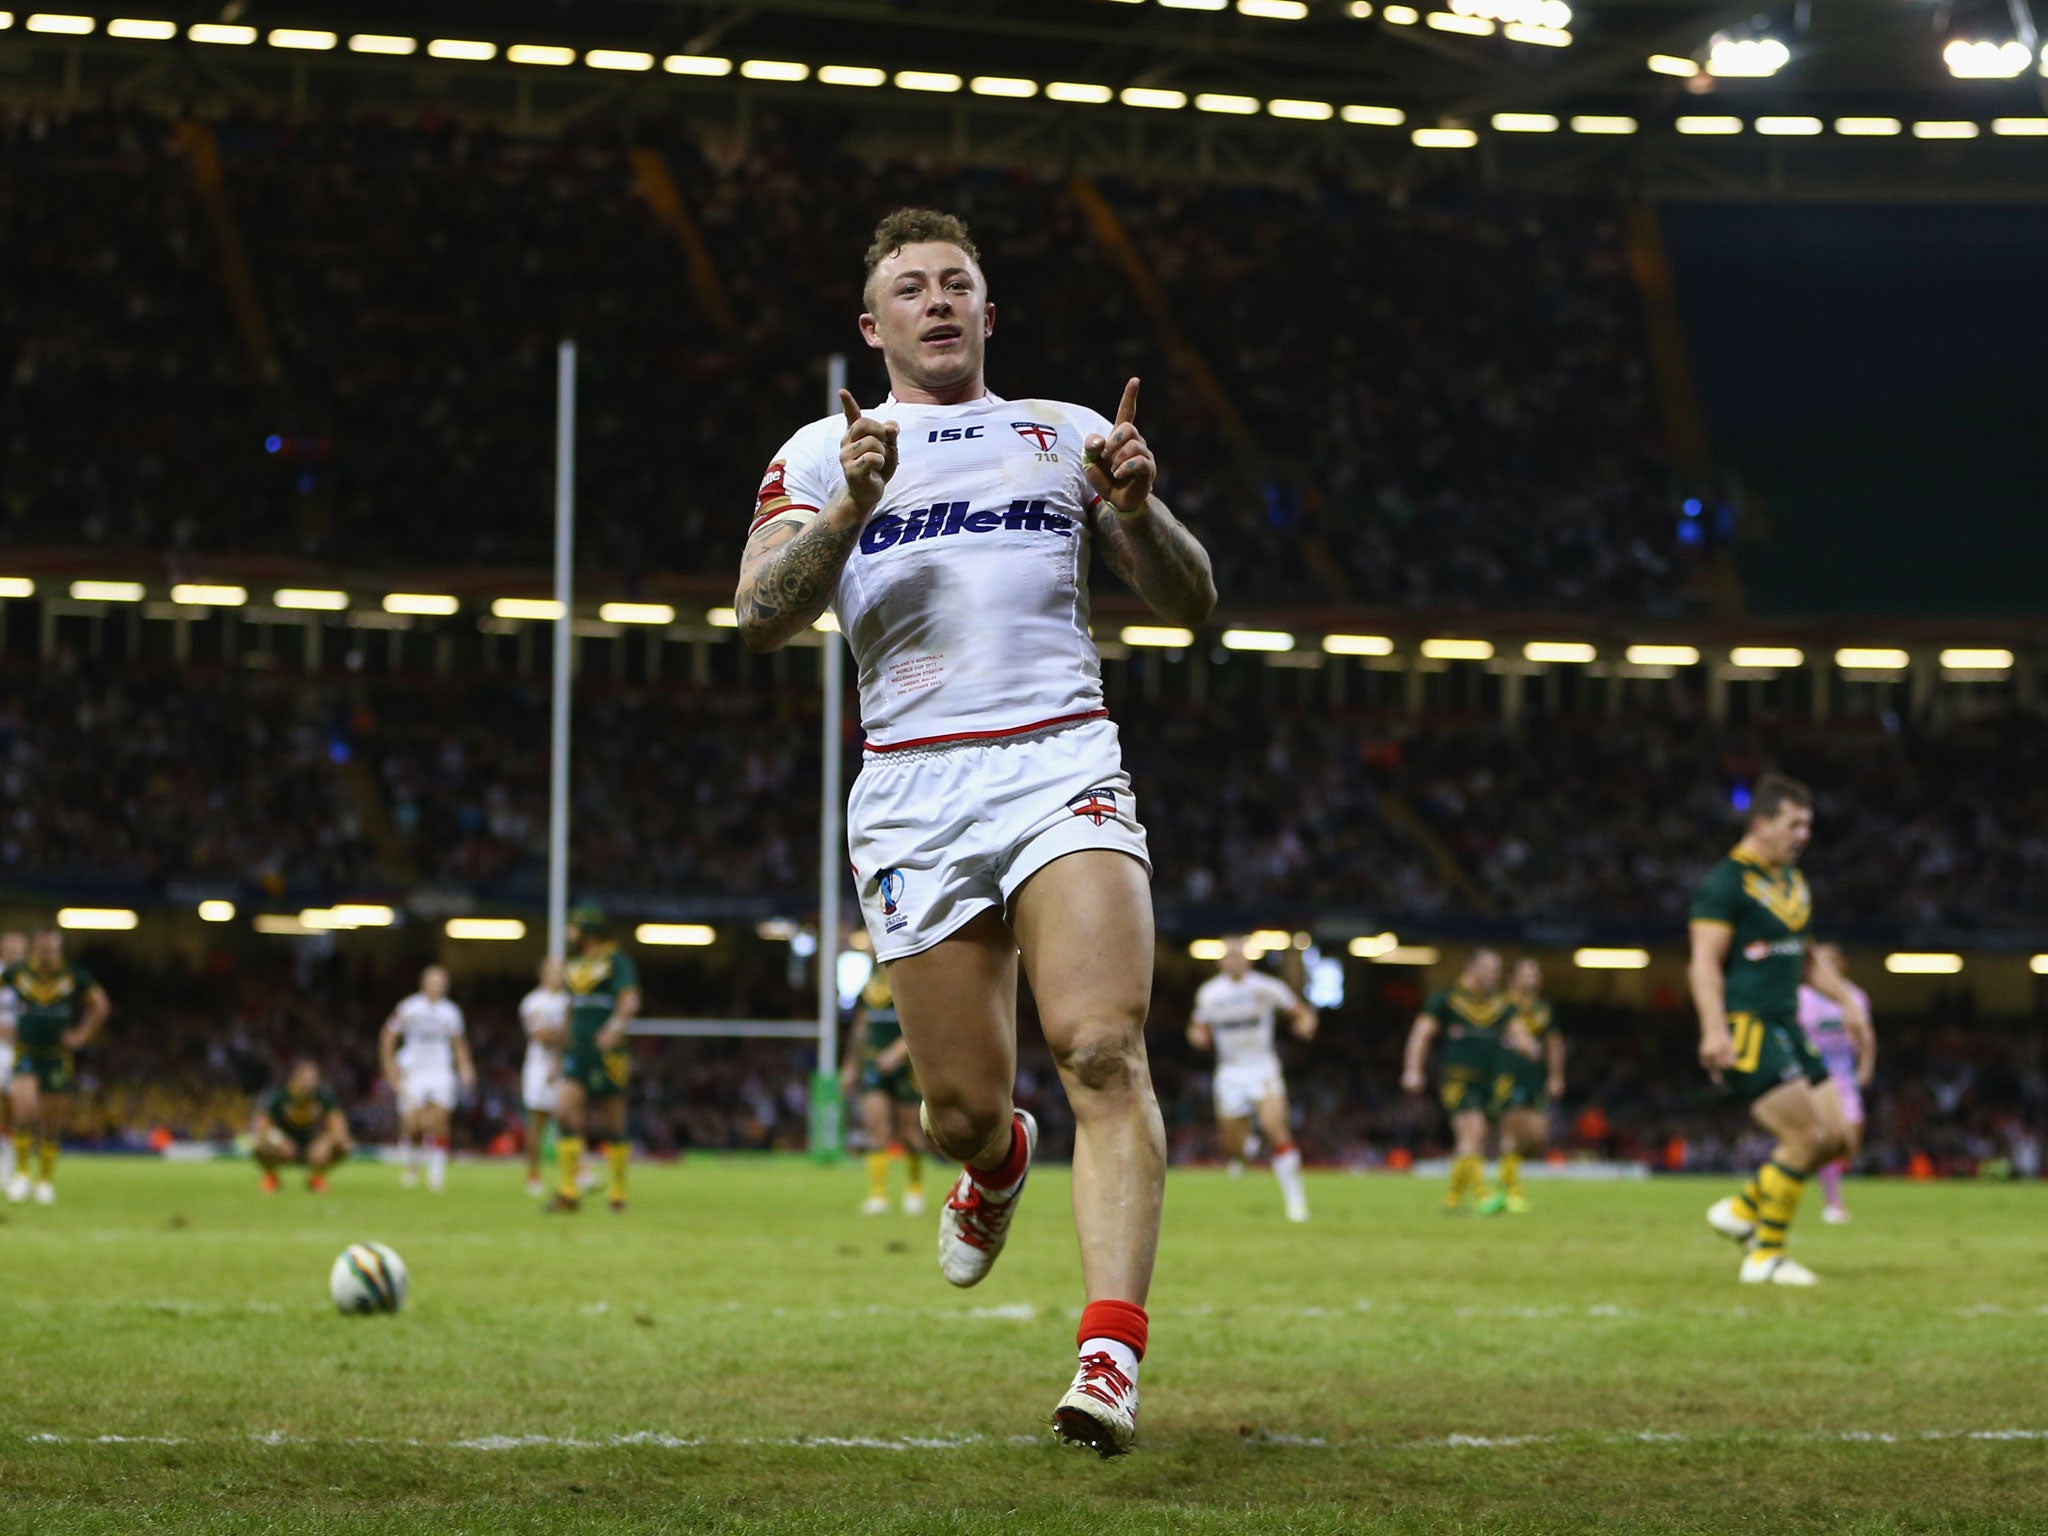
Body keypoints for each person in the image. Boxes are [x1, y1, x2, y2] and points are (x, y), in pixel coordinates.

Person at [734, 207, 1215, 1455]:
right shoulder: (817, 450)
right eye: (911, 287)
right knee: (955, 1106)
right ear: (872, 324)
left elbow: (1191, 597)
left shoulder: (1064, 437)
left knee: (1103, 1047)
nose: (937, 301)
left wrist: (1142, 513)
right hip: (911, 793)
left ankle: (1106, 1355)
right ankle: (996, 1164)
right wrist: (848, 510)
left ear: (987, 315)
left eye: (958, 284)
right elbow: (757, 615)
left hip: (1062, 766)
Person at [1689, 773, 1870, 1286]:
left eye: (1808, 825)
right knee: (1806, 1135)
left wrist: (1846, 1002)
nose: (1804, 834)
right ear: (1762, 824)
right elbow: (1704, 963)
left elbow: (1806, 958)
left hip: (1789, 1023)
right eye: (1795, 824)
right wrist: (1712, 1029)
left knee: (1838, 1140)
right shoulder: (1725, 883)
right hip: (1749, 1025)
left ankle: (1744, 1209)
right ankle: (1765, 1256)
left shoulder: (1792, 879)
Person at [1187, 937, 1317, 1222]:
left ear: (1249, 959)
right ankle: (1246, 1149)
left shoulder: (1266, 988)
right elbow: (1197, 1026)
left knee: (1277, 1129)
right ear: (1221, 961)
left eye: (1238, 954)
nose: (1234, 960)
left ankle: (1296, 1203)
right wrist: (1198, 1037)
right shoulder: (1210, 993)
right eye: (1229, 955)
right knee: (1231, 1146)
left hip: (1262, 1067)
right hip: (1230, 1072)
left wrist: (1305, 1024)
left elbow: (1301, 1012)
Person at [2, 926, 111, 1206]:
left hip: (56, 1056)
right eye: (45, 950)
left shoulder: (73, 976)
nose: (50, 955)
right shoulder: (18, 974)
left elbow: (99, 1005)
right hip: (25, 1053)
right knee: (23, 1109)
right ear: (35, 949)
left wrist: (82, 1035)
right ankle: (23, 1173)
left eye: (55, 950)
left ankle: (45, 1181)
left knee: (51, 1122)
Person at [1400, 949, 1508, 1214]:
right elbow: (1421, 1034)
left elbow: (1516, 1030)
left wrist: (1528, 1046)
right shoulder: (1446, 999)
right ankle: (1483, 1193)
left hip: (1487, 1080)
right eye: (1491, 970)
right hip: (1457, 1078)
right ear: (1473, 968)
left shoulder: (1497, 1005)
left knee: (1473, 1138)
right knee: (1470, 1132)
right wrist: (1413, 1069)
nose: (1496, 976)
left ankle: (1452, 1199)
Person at [550, 906, 640, 1215]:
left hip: (607, 1053)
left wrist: (614, 1029)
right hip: (578, 1049)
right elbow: (570, 1011)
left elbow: (629, 1000)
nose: (568, 933)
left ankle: (617, 1191)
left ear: (588, 929)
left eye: (573, 927)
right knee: (564, 1111)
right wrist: (558, 1053)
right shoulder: (574, 965)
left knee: (612, 1120)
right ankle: (569, 1189)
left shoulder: (616, 960)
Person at [1796, 942, 1876, 1224]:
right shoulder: (1802, 997)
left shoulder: (1854, 997)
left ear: (1841, 965)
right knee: (1828, 1136)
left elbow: (1866, 1037)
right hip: (1812, 1075)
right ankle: (1834, 1201)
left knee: (1850, 1140)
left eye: (1830, 962)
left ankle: (1795, 1175)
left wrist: (1865, 1067)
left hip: (1844, 1075)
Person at [378, 965, 475, 1193]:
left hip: (440, 1070)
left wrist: (466, 1068)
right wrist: (389, 1067)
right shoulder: (409, 1007)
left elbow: (458, 1043)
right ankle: (412, 1166)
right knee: (413, 1124)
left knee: (440, 1122)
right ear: (424, 983)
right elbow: (388, 1036)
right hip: (414, 1070)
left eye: (442, 982)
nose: (438, 986)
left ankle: (436, 1174)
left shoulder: (450, 1012)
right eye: (434, 982)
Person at [839, 968, 928, 1216]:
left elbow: (921, 1022)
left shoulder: (910, 982)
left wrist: (899, 1052)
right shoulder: (868, 988)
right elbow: (860, 1028)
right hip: (873, 1064)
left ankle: (915, 1190)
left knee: (910, 1132)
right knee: (876, 1127)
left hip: (906, 1068)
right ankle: (878, 1196)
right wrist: (850, 1065)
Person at [1481, 958, 1565, 1216]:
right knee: (1511, 1128)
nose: (1533, 979)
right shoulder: (1502, 1006)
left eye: (1535, 974)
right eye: (1527, 974)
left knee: (1537, 1134)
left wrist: (1556, 1076)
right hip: (1505, 1076)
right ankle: (1510, 1191)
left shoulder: (1543, 1010)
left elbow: (1553, 1044)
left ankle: (1505, 1183)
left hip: (1534, 1079)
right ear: (1513, 979)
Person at [252, 1058, 354, 1193]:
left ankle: (316, 1177)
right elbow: (261, 1126)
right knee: (258, 1146)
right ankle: (272, 1177)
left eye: (314, 1079)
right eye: (308, 1080)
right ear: (295, 1078)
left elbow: (339, 1127)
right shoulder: (278, 1094)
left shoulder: (324, 1095)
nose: (312, 1084)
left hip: (310, 1146)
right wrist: (278, 1140)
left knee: (345, 1146)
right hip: (283, 1146)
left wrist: (326, 1141)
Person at [519, 955, 570, 1197]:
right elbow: (540, 1035)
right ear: (543, 973)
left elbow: (575, 1036)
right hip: (539, 1067)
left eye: (561, 971)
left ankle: (575, 1173)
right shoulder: (532, 1002)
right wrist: (564, 1031)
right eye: (552, 971)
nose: (557, 975)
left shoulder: (569, 1001)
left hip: (564, 1066)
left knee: (569, 1118)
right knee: (537, 1122)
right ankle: (533, 1174)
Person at [0, 930, 23, 1190]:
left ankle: (15, 1163)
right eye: (12, 949)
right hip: (0, 1048)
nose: (16, 954)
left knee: (19, 1108)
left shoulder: (28, 979)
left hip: (23, 1050)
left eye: (20, 950)